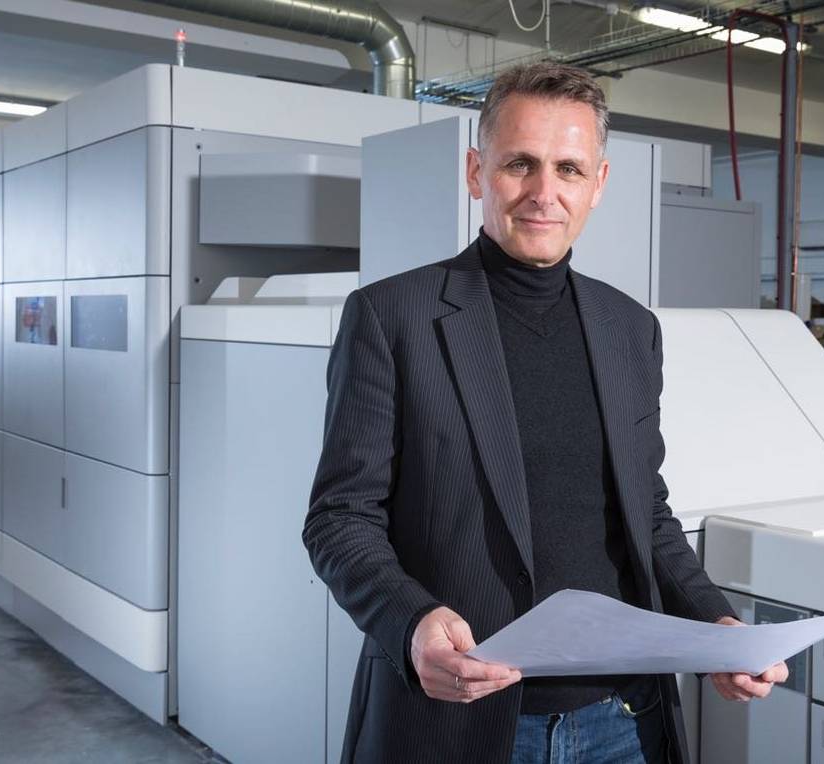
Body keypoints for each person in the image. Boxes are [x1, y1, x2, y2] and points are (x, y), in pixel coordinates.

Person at [303, 61, 787, 764]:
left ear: (599, 183)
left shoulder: (629, 329)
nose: (543, 193)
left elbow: (646, 515)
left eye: (568, 168)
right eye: (519, 165)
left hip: (624, 719)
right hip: (464, 717)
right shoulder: (393, 317)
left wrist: (716, 624)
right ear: (477, 172)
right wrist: (411, 622)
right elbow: (340, 518)